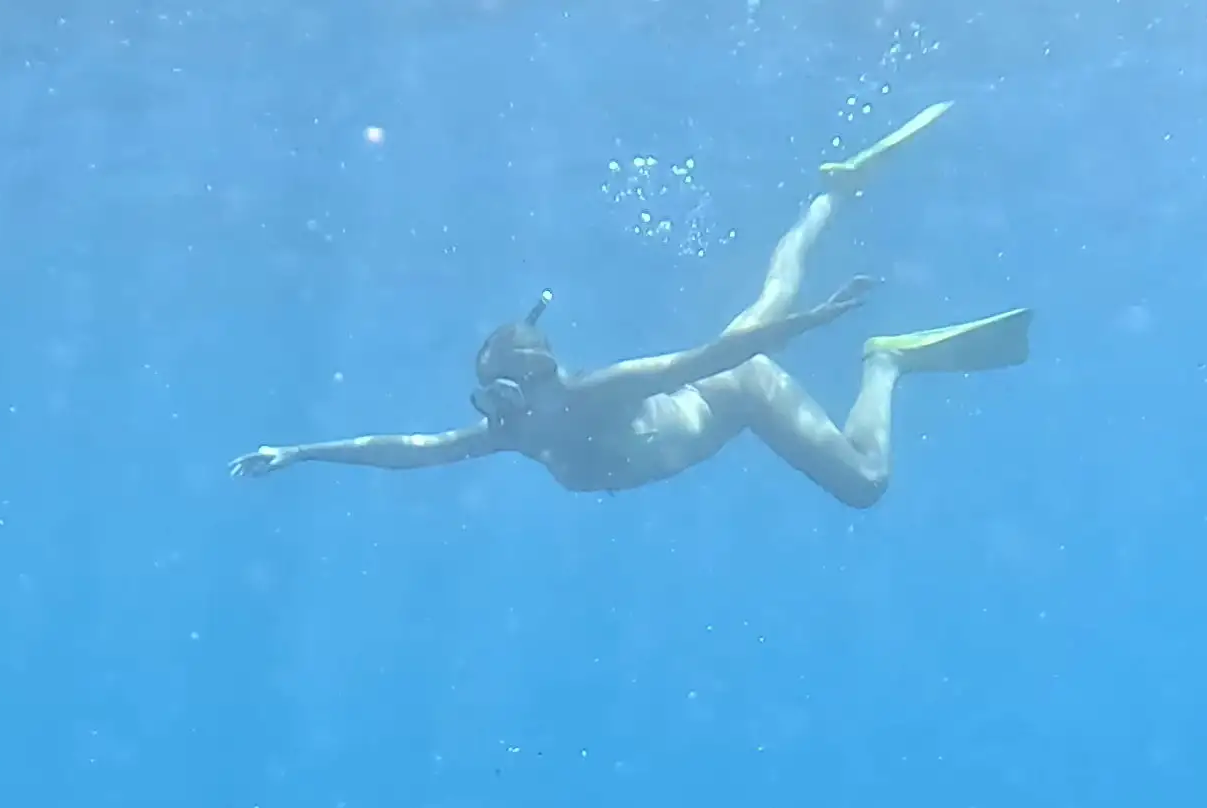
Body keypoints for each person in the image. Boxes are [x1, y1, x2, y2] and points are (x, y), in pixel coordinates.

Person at [229, 102, 1024, 507]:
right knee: (770, 296)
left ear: (544, 380)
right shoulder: (512, 435)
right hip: (715, 384)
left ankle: (883, 363)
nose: (499, 412)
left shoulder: (593, 395)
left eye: (508, 394)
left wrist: (820, 324)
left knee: (866, 484)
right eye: (490, 398)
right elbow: (409, 449)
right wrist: (301, 453)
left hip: (736, 390)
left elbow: (713, 362)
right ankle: (831, 196)